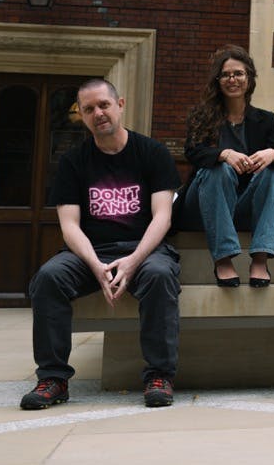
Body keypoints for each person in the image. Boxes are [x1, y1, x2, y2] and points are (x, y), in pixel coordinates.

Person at [21, 79, 182, 410]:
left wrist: (133, 260)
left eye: (104, 105)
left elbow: (162, 217)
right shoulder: (73, 161)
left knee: (160, 275)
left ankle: (159, 376)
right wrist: (95, 265)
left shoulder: (152, 153)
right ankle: (53, 378)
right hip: (90, 253)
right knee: (49, 277)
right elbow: (69, 225)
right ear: (81, 115)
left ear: (120, 105)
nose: (98, 113)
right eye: (89, 108)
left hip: (144, 249)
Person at [179, 45, 274, 288]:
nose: (232, 79)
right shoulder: (202, 116)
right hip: (204, 204)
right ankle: (223, 258)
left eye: (238, 73)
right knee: (218, 170)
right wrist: (224, 154)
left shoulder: (266, 119)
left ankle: (260, 258)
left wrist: (272, 153)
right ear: (217, 81)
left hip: (244, 205)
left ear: (249, 78)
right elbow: (192, 152)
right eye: (226, 75)